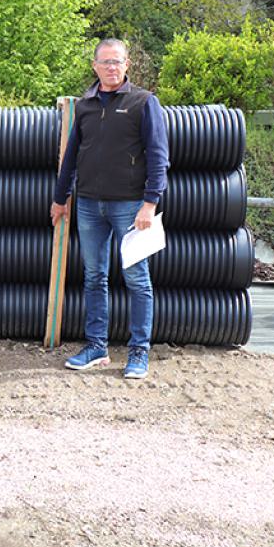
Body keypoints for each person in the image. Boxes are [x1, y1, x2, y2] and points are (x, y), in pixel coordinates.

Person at [49, 39, 170, 379]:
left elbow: (159, 156)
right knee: (94, 277)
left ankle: (138, 352)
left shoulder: (144, 102)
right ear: (95, 66)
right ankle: (97, 347)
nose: (111, 68)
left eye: (117, 62)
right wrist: (61, 199)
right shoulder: (85, 106)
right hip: (88, 205)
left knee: (136, 279)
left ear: (127, 64)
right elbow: (71, 156)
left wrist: (150, 203)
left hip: (131, 207)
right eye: (105, 62)